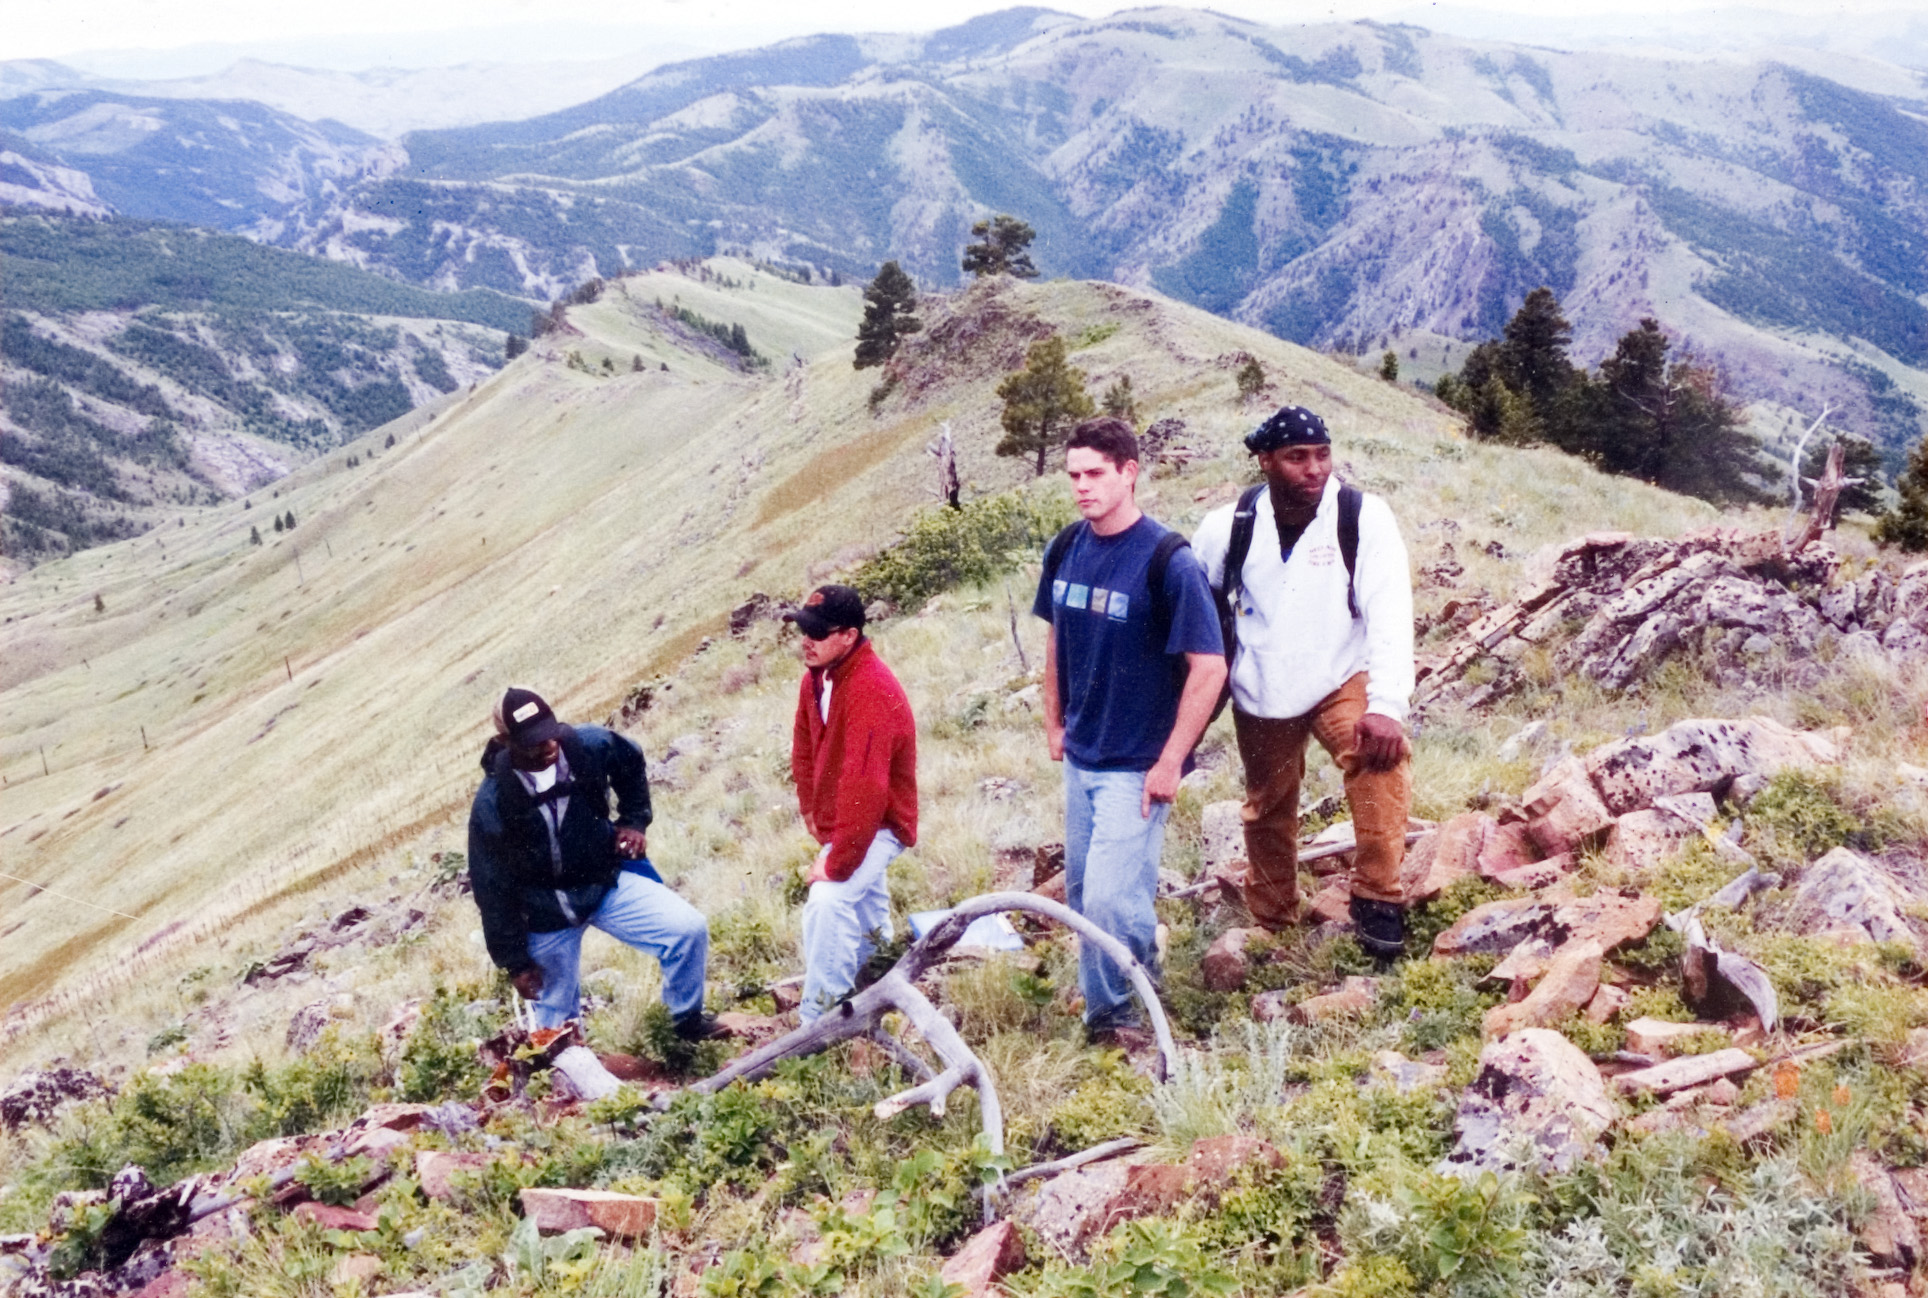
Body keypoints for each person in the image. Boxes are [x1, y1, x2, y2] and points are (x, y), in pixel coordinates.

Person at [1191, 405, 1415, 958]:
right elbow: (1197, 612)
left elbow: (1390, 610)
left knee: (1378, 759)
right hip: (1262, 684)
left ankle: (1377, 897)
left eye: (1322, 455)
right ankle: (1272, 915)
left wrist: (1386, 703)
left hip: (1341, 671)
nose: (1315, 469)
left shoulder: (1362, 517)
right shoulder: (1228, 527)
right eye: (1297, 458)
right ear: (1265, 461)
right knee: (1268, 801)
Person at [1033, 416, 1226, 1041]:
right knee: (1096, 893)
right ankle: (1143, 973)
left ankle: (1112, 1019)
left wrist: (1172, 760)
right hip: (1082, 756)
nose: (1082, 487)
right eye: (1073, 476)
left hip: (1138, 764)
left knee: (1106, 902)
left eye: (1095, 474)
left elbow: (1209, 667)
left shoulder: (1169, 561)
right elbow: (1058, 638)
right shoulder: (1066, 547)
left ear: (1129, 473)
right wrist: (1053, 720)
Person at [468, 686, 722, 1038]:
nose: (549, 746)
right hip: (545, 913)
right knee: (554, 1035)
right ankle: (574, 1072)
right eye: (533, 742)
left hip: (605, 882)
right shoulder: (494, 801)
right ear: (506, 741)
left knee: (687, 930)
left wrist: (634, 821)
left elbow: (630, 762)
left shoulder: (586, 746)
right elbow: (490, 887)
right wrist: (516, 963)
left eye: (549, 733)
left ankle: (685, 1027)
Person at [786, 585, 919, 1021]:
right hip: (848, 821)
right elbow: (804, 746)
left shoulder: (869, 690)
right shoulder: (818, 677)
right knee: (865, 908)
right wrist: (810, 809)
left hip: (879, 823)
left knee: (828, 900)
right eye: (804, 630)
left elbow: (867, 787)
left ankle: (820, 1020)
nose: (807, 641)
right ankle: (880, 975)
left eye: (818, 634)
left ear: (848, 636)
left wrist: (837, 862)